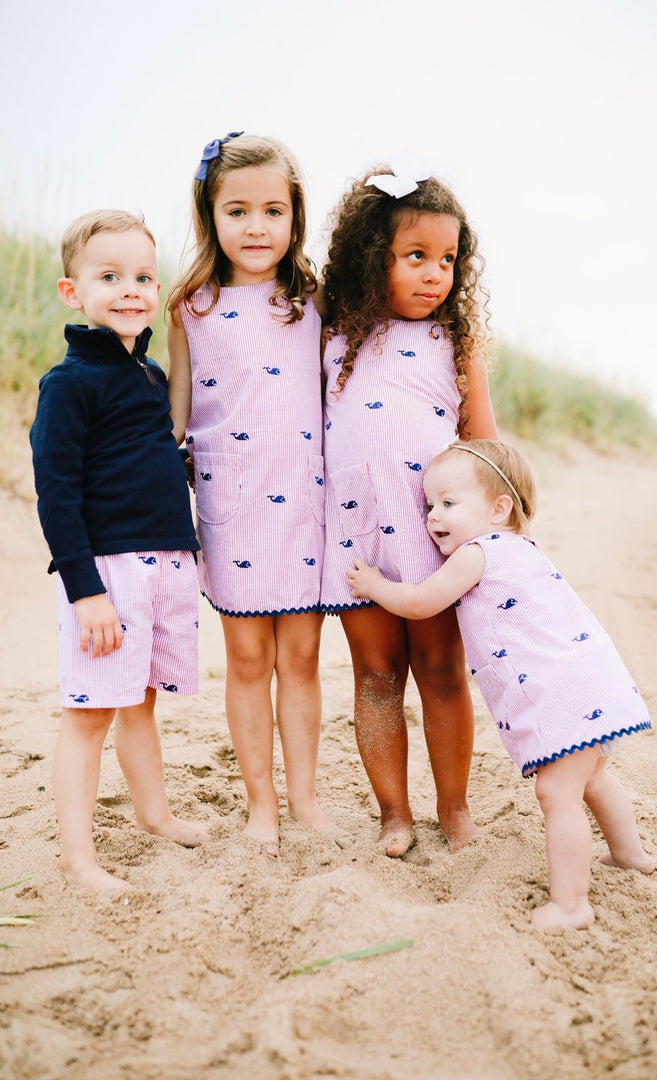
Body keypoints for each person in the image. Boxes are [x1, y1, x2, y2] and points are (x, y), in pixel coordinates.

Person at [347, 439, 655, 928]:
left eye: (448, 503)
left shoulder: (476, 554)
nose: (432, 516)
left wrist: (374, 586)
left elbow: (424, 602)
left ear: (499, 507)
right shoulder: (523, 547)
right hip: (591, 681)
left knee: (558, 795)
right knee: (593, 777)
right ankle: (629, 854)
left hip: (559, 696)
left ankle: (571, 904)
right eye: (429, 505)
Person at [320, 162, 498, 856]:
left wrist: (498, 527)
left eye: (447, 260)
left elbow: (484, 447)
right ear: (376, 258)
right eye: (415, 256)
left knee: (443, 671)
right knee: (375, 676)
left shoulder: (457, 345)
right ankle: (395, 812)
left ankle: (454, 810)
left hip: (436, 538)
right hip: (359, 537)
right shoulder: (335, 337)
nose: (433, 274)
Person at [29, 210, 209, 892]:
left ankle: (154, 815)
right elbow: (57, 493)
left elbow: (146, 456)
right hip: (107, 572)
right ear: (72, 292)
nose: (130, 289)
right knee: (88, 714)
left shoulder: (147, 374)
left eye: (141, 276)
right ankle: (80, 860)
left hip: (163, 562)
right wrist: (85, 591)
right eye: (109, 277)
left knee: (140, 702)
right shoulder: (69, 384)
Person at [167, 132, 331, 856]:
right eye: (238, 211)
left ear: (295, 216)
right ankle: (258, 803)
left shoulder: (313, 299)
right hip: (231, 506)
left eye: (273, 210)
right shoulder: (188, 306)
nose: (257, 227)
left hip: (304, 503)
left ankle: (304, 800)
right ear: (211, 214)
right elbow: (174, 415)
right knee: (245, 662)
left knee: (300, 661)